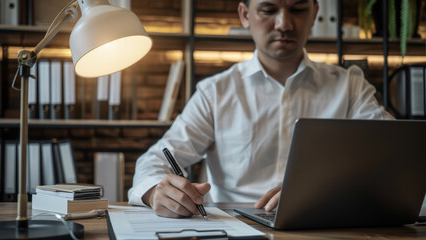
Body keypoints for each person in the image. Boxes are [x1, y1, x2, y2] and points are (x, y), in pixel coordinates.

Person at [128, 0, 393, 218]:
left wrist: (328, 188)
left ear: (314, 14)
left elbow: (394, 153)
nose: (284, 24)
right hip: (235, 227)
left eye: (298, 10)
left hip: (325, 224)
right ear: (245, 15)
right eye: (268, 10)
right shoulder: (215, 92)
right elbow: (153, 162)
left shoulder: (350, 86)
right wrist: (155, 191)